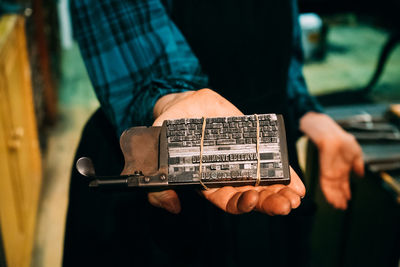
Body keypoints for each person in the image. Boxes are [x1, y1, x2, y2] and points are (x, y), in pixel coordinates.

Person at [63, 0, 364, 266]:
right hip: (156, 145)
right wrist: (173, 100)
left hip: (263, 158)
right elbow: (125, 23)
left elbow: (281, 46)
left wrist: (307, 112)